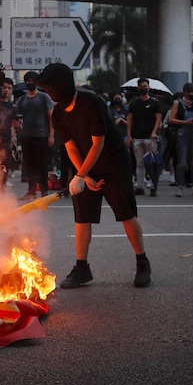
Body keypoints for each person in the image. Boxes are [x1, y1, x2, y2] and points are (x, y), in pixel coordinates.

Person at [35, 63, 151, 289]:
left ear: (63, 86)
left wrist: (80, 174)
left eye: (50, 88)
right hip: (85, 167)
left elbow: (99, 144)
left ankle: (142, 261)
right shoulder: (58, 113)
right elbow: (71, 147)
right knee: (82, 217)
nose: (48, 93)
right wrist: (83, 177)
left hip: (113, 163)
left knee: (125, 213)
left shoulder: (92, 103)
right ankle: (82, 268)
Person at [13, 71, 54, 200]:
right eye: (28, 81)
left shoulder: (43, 98)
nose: (30, 83)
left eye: (32, 81)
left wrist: (51, 135)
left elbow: (51, 117)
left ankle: (44, 191)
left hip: (42, 136)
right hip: (27, 136)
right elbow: (14, 115)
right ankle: (31, 191)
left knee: (42, 165)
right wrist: (16, 125)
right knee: (29, 165)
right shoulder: (22, 100)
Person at [126, 78, 162, 196]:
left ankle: (153, 185)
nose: (143, 88)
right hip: (137, 137)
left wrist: (154, 132)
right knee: (139, 163)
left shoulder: (154, 102)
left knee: (152, 163)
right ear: (138, 88)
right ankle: (140, 186)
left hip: (150, 137)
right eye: (141, 86)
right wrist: (129, 135)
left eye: (145, 86)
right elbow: (130, 119)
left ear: (149, 87)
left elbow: (158, 118)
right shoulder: (134, 103)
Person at [168, 83, 193, 197]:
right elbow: (171, 119)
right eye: (191, 92)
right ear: (186, 92)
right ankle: (179, 186)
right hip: (182, 134)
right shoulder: (178, 103)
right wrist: (184, 122)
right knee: (182, 162)